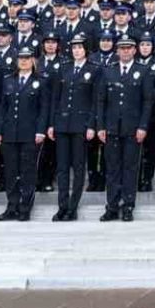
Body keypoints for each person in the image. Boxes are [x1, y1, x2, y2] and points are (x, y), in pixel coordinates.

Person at [97, 37, 153, 222]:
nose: (126, 51)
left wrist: (143, 126)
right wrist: (100, 126)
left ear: (135, 50)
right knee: (112, 169)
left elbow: (147, 101)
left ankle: (128, 205)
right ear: (117, 51)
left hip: (132, 128)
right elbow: (101, 101)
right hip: (112, 127)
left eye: (129, 48)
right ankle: (112, 206)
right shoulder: (108, 70)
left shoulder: (143, 71)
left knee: (130, 168)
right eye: (122, 48)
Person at [0, 44, 49, 221]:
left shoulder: (41, 81)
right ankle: (12, 206)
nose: (23, 61)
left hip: (30, 133)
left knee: (27, 171)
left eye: (27, 58)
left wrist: (41, 131)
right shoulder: (8, 80)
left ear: (33, 61)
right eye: (21, 58)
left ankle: (25, 207)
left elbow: (44, 109)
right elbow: (2, 107)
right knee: (10, 172)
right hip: (10, 132)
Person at [49, 34, 98, 221]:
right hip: (62, 124)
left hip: (80, 125)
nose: (77, 51)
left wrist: (91, 125)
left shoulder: (93, 69)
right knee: (62, 168)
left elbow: (95, 100)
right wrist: (52, 124)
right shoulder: (63, 68)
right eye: (74, 47)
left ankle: (73, 206)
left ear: (86, 50)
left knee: (78, 167)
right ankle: (62, 206)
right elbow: (56, 98)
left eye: (80, 47)